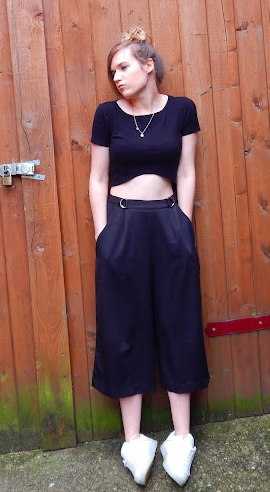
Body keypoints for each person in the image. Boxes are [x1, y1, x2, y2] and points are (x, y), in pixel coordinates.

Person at [89, 28, 209, 487]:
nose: (116, 77)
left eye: (123, 66)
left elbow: (187, 171)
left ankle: (181, 437)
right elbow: (97, 179)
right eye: (112, 72)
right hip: (121, 224)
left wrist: (183, 224)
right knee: (124, 324)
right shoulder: (106, 116)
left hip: (169, 221)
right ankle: (134, 440)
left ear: (148, 65)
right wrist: (104, 236)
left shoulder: (182, 110)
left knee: (179, 321)